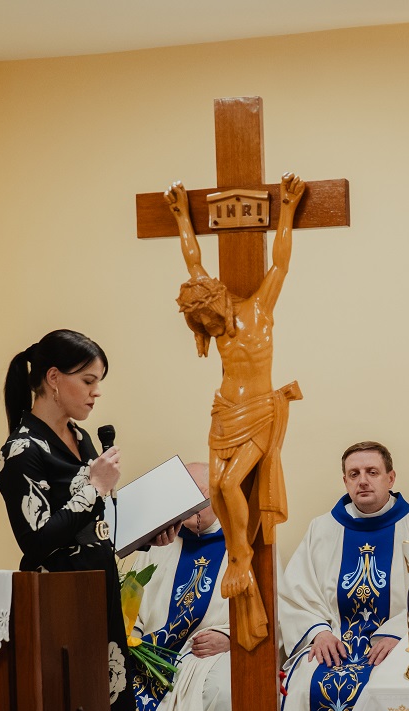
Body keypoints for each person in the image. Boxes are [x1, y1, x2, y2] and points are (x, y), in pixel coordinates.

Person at [165, 173, 306, 649]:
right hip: (224, 411)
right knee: (217, 489)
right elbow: (193, 260)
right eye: (202, 324)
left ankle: (240, 557)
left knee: (227, 485)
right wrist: (182, 216)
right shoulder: (215, 324)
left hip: (261, 412)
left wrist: (287, 209)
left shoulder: (259, 311)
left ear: (219, 300)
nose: (211, 328)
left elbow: (280, 262)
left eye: (210, 317)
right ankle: (237, 556)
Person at [279, 441, 409, 711]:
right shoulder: (322, 529)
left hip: (395, 647)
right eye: (354, 474)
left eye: (372, 472)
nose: (363, 481)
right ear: (345, 481)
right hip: (333, 643)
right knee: (301, 690)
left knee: (396, 694)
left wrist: (401, 635)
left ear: (390, 477)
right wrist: (318, 633)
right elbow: (296, 593)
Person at [0, 329, 133, 711]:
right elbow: (36, 540)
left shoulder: (80, 436)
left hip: (97, 589)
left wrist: (147, 535)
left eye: (97, 382)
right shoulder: (22, 449)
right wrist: (95, 487)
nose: (96, 392)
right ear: (53, 378)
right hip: (59, 603)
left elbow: (89, 523)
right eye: (88, 381)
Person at [113, 463, 233, 711]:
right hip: (153, 652)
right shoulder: (159, 543)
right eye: (184, 498)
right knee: (116, 695)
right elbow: (131, 606)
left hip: (205, 655)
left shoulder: (242, 542)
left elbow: (267, 610)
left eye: (199, 497)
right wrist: (131, 637)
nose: (191, 508)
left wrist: (230, 638)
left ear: (219, 496)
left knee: (220, 695)